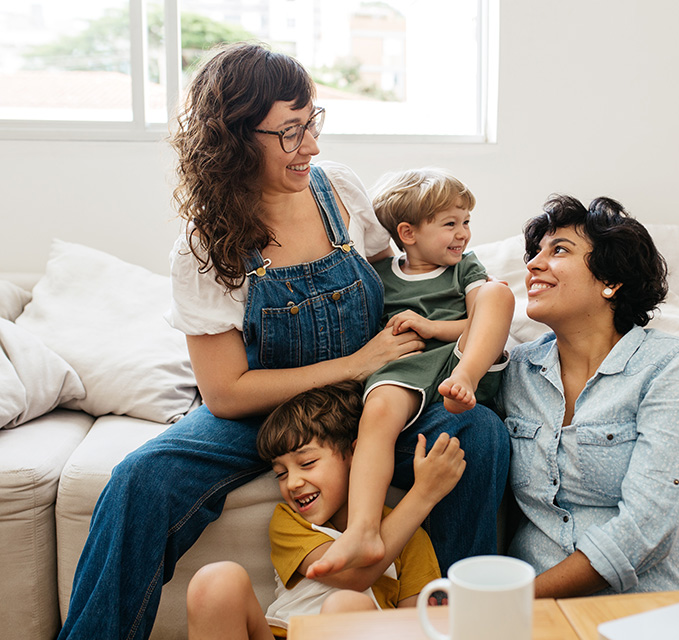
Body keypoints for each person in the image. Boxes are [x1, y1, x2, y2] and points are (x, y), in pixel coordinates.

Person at [57, 43, 509, 639]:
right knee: (140, 480)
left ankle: (462, 626)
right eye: (291, 133)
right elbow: (225, 393)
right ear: (237, 139)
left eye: (312, 123)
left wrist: (441, 334)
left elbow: (397, 286)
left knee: (479, 435)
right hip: (266, 410)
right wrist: (351, 363)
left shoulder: (340, 193)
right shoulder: (204, 250)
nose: (312, 147)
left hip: (375, 395)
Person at [498, 194, 679, 598]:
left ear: (611, 281)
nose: (533, 264)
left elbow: (646, 526)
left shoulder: (672, 366)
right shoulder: (517, 371)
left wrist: (513, 600)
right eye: (535, 253)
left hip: (661, 601)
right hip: (544, 613)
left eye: (559, 250)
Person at [308, 168, 514, 578]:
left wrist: (434, 328)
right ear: (407, 233)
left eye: (466, 222)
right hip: (407, 365)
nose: (463, 234)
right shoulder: (381, 277)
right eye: (450, 224)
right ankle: (364, 528)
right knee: (379, 411)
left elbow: (481, 319)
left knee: (498, 292)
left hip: (459, 359)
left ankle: (468, 380)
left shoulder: (465, 269)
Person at [186, 381, 465, 639]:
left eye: (306, 463)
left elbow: (416, 626)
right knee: (215, 581)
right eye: (280, 474)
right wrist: (423, 494)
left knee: (345, 606)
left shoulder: (410, 536)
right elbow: (352, 576)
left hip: (359, 629)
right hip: (284, 632)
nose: (293, 483)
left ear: (355, 455)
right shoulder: (290, 522)